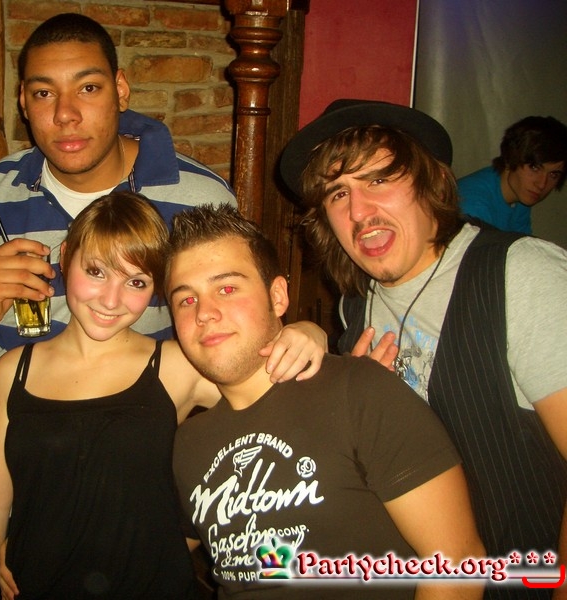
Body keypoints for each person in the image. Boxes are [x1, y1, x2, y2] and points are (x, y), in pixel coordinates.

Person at [0, 13, 328, 598]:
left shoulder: (197, 198)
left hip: (117, 495)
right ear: (23, 102)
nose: (66, 114)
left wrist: (307, 329)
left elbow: (236, 345)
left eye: (87, 88)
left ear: (120, 89)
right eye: (44, 93)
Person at [0, 192, 323, 599]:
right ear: (65, 258)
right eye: (96, 271)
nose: (111, 299)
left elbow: (280, 387)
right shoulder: (13, 371)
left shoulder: (177, 365)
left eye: (135, 282)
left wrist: (307, 331)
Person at [279, 99, 567, 598]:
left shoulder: (520, 275)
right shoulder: (357, 304)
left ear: (430, 181)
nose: (358, 211)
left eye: (378, 179)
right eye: (337, 193)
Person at [164, 204, 485, 599]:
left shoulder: (360, 392)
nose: (205, 314)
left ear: (277, 296)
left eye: (227, 289)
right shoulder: (187, 444)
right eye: (186, 300)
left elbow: (457, 561)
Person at [457, 115, 567, 234]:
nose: (542, 184)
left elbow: (524, 242)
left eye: (553, 175)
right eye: (534, 168)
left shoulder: (519, 195)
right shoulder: (473, 208)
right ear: (510, 158)